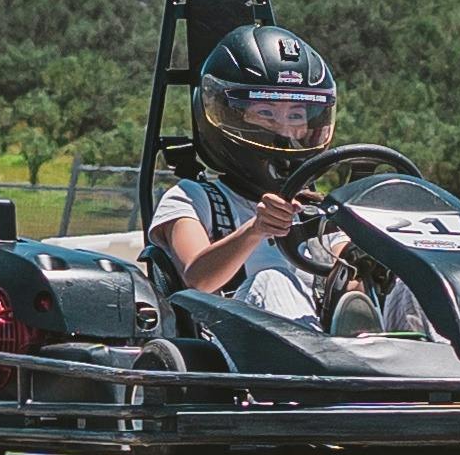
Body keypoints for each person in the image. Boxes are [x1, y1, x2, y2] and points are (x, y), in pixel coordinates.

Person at [146, 22, 346, 326]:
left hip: (335, 346)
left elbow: (352, 268)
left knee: (404, 289)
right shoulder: (190, 198)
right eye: (266, 113)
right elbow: (199, 280)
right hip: (232, 347)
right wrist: (256, 229)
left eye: (295, 115)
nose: (285, 130)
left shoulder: (316, 210)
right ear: (232, 116)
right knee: (272, 281)